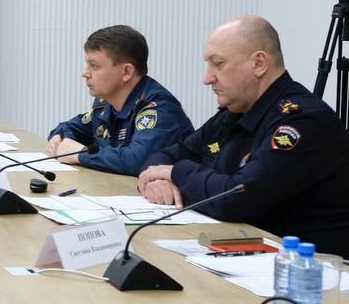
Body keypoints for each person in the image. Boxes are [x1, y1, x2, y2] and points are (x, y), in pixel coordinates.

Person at [138, 16, 349, 257]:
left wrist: (177, 173)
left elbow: (237, 198)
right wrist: (159, 181)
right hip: (242, 252)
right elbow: (166, 155)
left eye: (218, 64)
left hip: (305, 269)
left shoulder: (302, 121)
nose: (207, 78)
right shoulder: (236, 111)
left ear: (259, 64)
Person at [45, 25, 192, 175]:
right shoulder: (106, 105)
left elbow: (137, 161)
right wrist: (59, 139)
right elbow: (69, 127)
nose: (85, 73)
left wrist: (81, 153)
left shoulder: (159, 108)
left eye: (94, 66)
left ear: (126, 72)